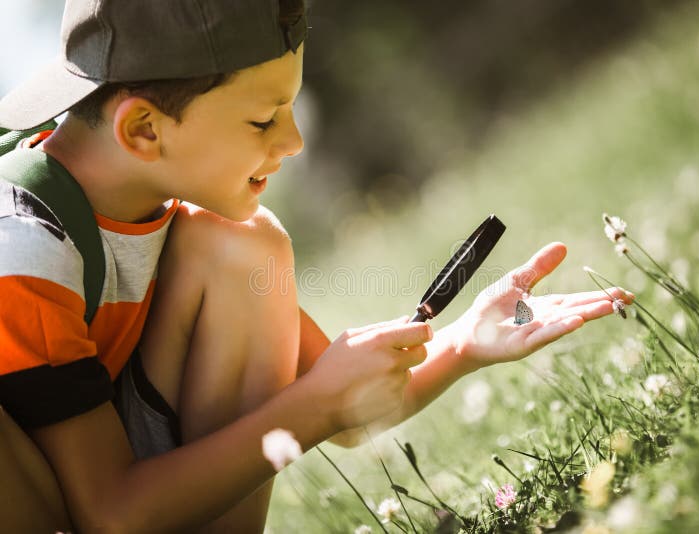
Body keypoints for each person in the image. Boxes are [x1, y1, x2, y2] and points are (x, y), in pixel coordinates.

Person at [0, 0, 633, 532]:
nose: (294, 142)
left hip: (104, 490)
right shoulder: (24, 248)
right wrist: (315, 407)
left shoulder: (159, 194)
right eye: (263, 118)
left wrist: (468, 342)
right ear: (142, 130)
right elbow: (114, 515)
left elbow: (342, 404)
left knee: (248, 244)